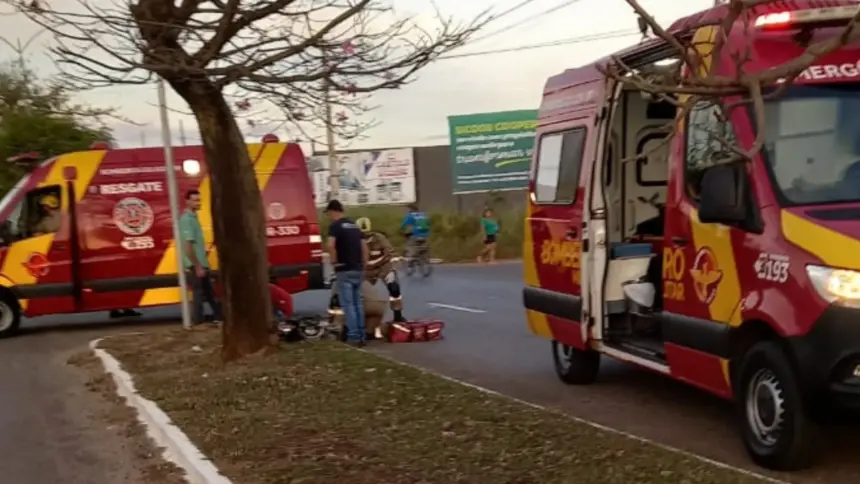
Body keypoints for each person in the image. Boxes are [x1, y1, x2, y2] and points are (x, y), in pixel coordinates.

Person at [325, 200, 368, 346]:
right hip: (358, 268)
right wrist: (364, 264)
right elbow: (364, 246)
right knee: (358, 303)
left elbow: (330, 245)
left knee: (348, 305)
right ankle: (362, 334)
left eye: (329, 213)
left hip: (344, 269)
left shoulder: (335, 226)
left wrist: (334, 262)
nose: (329, 216)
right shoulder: (354, 225)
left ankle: (353, 336)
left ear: (333, 211)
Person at [180, 189, 222, 326]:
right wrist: (197, 266)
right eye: (195, 200)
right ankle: (197, 321)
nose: (198, 203)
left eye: (199, 200)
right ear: (187, 201)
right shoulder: (187, 220)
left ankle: (219, 317)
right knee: (199, 294)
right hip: (196, 265)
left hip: (201, 264)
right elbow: (188, 245)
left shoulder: (194, 218)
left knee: (209, 293)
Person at [356, 216, 407, 323]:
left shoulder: (379, 238)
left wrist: (392, 258)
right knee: (353, 291)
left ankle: (398, 315)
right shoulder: (352, 240)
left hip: (383, 267)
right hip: (365, 271)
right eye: (362, 235)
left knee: (394, 287)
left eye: (367, 235)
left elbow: (389, 251)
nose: (366, 238)